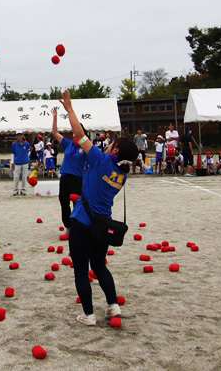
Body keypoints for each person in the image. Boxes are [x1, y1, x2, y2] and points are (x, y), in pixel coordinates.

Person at [58, 90, 139, 326]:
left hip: (83, 223)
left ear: (114, 151)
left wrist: (70, 110)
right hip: (103, 227)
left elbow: (79, 135)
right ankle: (113, 306)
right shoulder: (121, 175)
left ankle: (89, 314)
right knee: (99, 266)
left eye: (111, 143)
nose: (108, 145)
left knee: (81, 271)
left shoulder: (100, 160)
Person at [51, 108, 86, 229]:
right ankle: (68, 225)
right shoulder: (68, 143)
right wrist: (55, 117)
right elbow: (55, 132)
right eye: (74, 131)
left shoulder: (85, 146)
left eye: (77, 131)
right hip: (65, 178)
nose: (74, 133)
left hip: (77, 179)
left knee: (77, 202)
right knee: (63, 201)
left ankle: (78, 225)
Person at [11, 131, 31, 196]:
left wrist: (27, 159)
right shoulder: (14, 144)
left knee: (24, 176)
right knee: (16, 176)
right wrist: (12, 162)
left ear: (22, 136)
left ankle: (23, 189)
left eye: (20, 135)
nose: (19, 137)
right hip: (17, 162)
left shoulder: (26, 144)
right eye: (18, 135)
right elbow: (12, 154)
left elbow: (29, 152)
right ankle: (15, 189)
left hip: (24, 162)